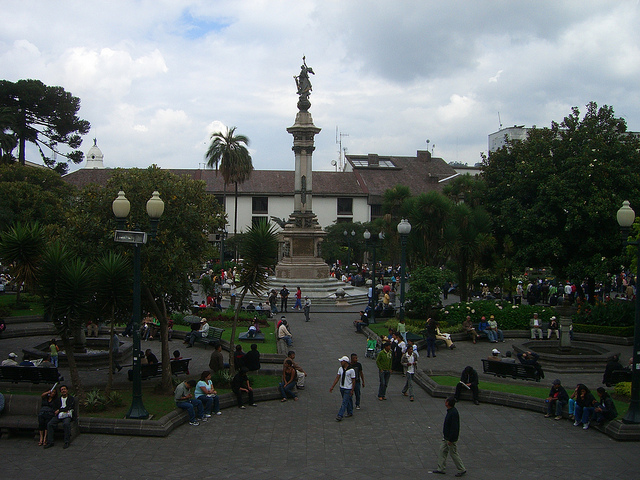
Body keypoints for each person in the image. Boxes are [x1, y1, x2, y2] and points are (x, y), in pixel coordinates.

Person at [431, 396, 466, 477]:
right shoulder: (451, 411)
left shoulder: (453, 413)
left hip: (450, 438)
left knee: (453, 453)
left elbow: (454, 428)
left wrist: (451, 439)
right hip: (446, 437)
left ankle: (462, 469)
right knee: (442, 451)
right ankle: (441, 468)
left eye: (446, 401)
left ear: (448, 403)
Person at [44, 385, 75, 449]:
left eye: (64, 389)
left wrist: (60, 410)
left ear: (67, 390)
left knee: (66, 424)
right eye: (62, 390)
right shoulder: (58, 399)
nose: (63, 391)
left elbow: (69, 407)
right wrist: (57, 411)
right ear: (60, 392)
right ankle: (50, 442)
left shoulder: (71, 398)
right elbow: (54, 407)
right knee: (50, 424)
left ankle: (66, 441)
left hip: (67, 415)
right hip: (58, 415)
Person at [329, 356, 356, 421]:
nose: (341, 362)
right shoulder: (340, 369)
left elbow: (353, 380)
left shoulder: (351, 370)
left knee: (344, 402)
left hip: (348, 388)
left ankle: (340, 415)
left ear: (345, 362)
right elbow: (337, 378)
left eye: (342, 361)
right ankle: (350, 412)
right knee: (348, 400)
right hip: (342, 387)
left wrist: (352, 389)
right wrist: (332, 386)